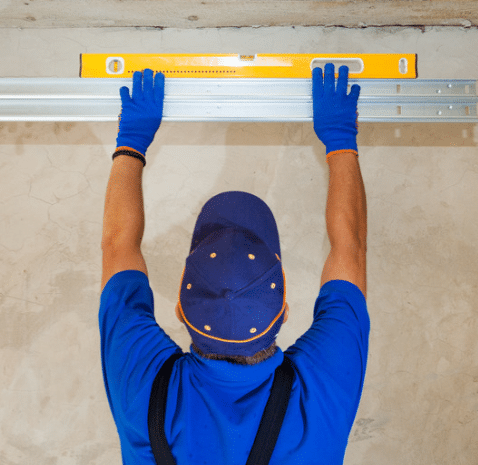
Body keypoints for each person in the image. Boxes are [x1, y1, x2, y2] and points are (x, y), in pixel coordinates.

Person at [99, 63, 369, 464]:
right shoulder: (321, 390)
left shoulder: (147, 388)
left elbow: (118, 246)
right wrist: (339, 136)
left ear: (180, 310)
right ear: (284, 311)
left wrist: (132, 139)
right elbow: (350, 247)